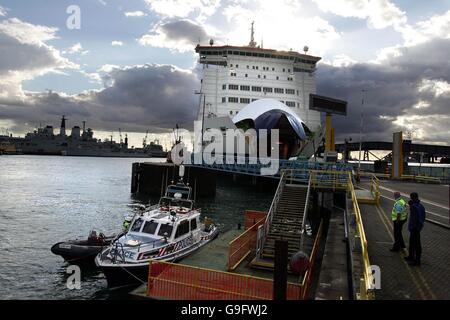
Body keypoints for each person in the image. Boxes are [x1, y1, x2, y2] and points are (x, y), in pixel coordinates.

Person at [404, 192, 426, 266]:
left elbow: (414, 218)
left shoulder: (414, 206)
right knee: (413, 243)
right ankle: (411, 256)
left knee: (416, 244)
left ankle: (417, 261)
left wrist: (413, 227)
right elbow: (423, 217)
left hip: (414, 229)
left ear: (411, 197)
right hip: (418, 228)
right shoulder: (421, 206)